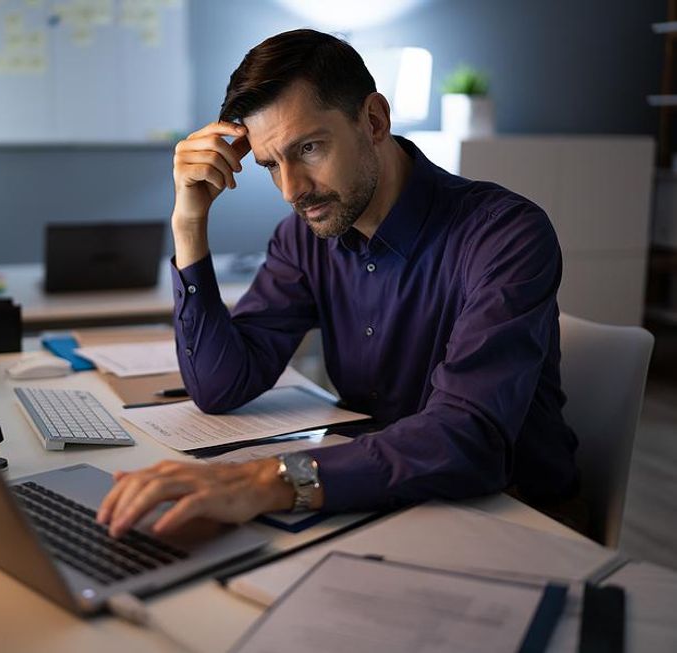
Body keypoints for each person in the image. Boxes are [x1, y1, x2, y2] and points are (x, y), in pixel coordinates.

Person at [97, 29, 580, 539]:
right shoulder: (305, 238)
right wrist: (188, 224)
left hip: (513, 516)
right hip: (377, 501)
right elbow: (222, 386)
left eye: (308, 148)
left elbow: (468, 436)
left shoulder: (505, 234)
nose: (291, 190)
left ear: (374, 121)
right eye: (270, 165)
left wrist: (268, 480)